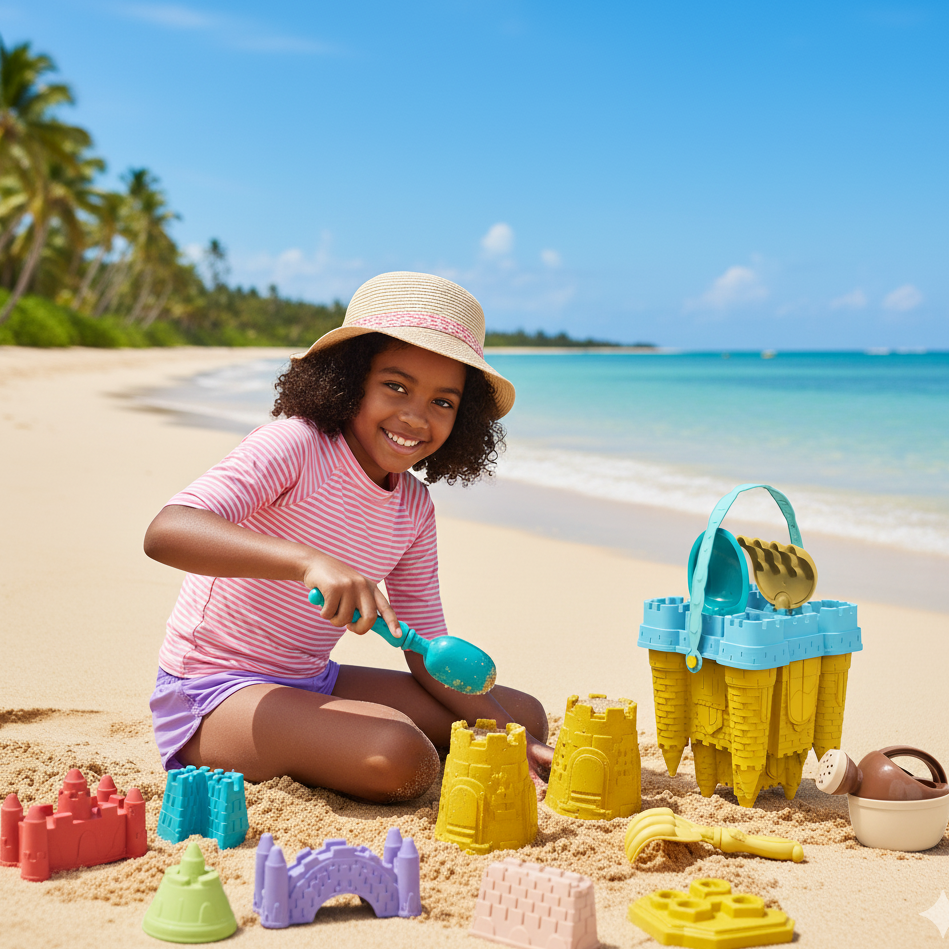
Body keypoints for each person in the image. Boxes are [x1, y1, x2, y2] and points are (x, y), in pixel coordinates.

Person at [145, 271, 553, 803]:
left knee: (523, 717)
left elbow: (426, 653)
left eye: (443, 402)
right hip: (212, 695)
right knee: (402, 758)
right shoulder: (294, 445)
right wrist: (307, 562)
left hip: (311, 679)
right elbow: (168, 531)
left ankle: (336, 735)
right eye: (396, 386)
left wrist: (505, 737)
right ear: (350, 378)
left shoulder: (413, 506)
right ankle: (334, 739)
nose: (415, 416)